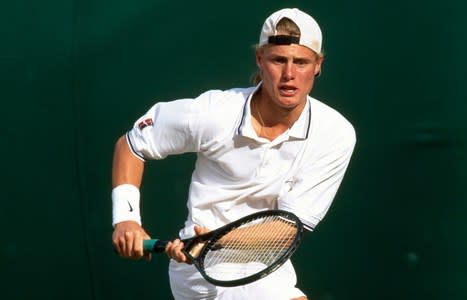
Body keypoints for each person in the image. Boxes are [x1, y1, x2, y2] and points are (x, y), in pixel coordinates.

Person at [111, 7, 356, 300]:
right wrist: (126, 219)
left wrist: (213, 241)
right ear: (260, 60)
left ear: (318, 65)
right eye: (279, 60)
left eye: (301, 62)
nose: (289, 74)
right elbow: (133, 144)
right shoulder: (213, 113)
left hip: (264, 262)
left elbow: (287, 230)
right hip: (200, 272)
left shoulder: (335, 133)